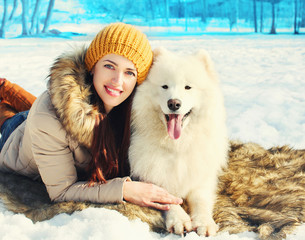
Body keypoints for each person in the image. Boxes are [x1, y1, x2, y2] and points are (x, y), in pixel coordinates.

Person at [0, 22, 182, 211]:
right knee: (12, 117)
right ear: (93, 66)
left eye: (129, 72)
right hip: (16, 139)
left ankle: (7, 89)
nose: (118, 81)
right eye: (109, 66)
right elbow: (62, 191)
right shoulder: (47, 118)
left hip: (43, 123)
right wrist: (124, 189)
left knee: (37, 109)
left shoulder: (132, 105)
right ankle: (3, 88)